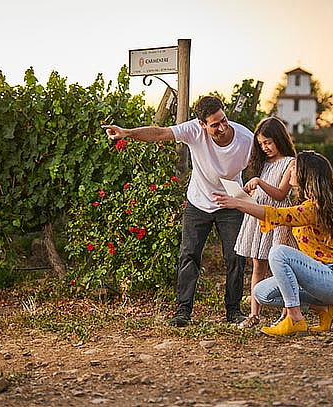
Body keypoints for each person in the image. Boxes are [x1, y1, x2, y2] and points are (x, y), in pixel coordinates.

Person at [102, 96, 253, 327]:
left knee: (235, 257)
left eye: (223, 120)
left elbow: (261, 165)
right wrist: (127, 133)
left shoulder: (245, 138)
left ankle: (233, 311)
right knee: (189, 255)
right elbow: (160, 133)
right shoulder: (193, 131)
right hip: (198, 202)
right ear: (202, 124)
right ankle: (183, 310)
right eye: (214, 124)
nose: (222, 127)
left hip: (230, 204)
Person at [213, 151, 333, 337]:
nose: (290, 171)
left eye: (294, 168)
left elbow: (277, 215)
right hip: (319, 278)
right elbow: (276, 213)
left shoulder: (313, 208)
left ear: (306, 174)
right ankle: (325, 309)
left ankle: (295, 319)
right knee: (261, 292)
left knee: (278, 252)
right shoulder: (306, 203)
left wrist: (238, 204)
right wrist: (249, 200)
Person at [234, 117, 298, 329]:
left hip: (277, 218)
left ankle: (286, 313)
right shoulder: (262, 163)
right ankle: (254, 314)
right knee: (257, 265)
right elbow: (262, 191)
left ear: (279, 138)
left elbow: (280, 194)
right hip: (258, 215)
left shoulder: (290, 162)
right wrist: (248, 193)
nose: (265, 148)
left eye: (268, 142)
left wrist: (260, 183)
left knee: (278, 265)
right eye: (261, 144)